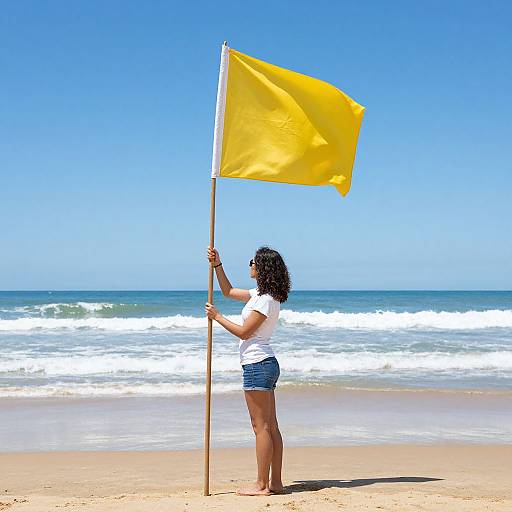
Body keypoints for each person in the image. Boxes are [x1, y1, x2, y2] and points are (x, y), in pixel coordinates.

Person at [205, 245, 291, 496]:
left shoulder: (265, 300)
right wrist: (217, 264)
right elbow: (227, 291)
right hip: (264, 364)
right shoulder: (260, 295)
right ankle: (275, 483)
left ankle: (262, 484)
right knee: (271, 426)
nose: (250, 265)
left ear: (263, 267)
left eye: (253, 262)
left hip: (257, 364)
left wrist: (217, 317)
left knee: (261, 427)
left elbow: (245, 332)